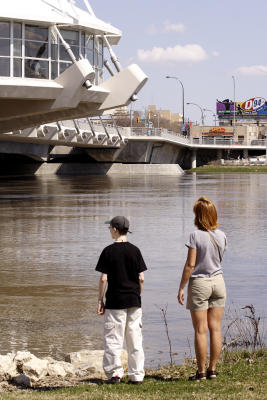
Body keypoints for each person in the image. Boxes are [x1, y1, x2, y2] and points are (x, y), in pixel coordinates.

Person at [177, 197, 227, 381]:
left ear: (199, 216)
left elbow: (190, 264)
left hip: (200, 283)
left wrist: (182, 287)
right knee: (215, 328)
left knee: (200, 329)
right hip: (219, 282)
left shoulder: (194, 236)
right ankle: (213, 370)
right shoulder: (222, 235)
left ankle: (201, 372)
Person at [95, 216, 147, 384]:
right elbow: (141, 278)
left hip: (115, 302)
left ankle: (115, 374)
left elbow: (104, 279)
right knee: (135, 340)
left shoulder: (108, 251)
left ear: (115, 229)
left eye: (109, 227)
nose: (109, 230)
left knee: (113, 340)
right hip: (133, 301)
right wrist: (138, 295)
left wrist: (100, 300)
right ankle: (136, 375)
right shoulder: (136, 250)